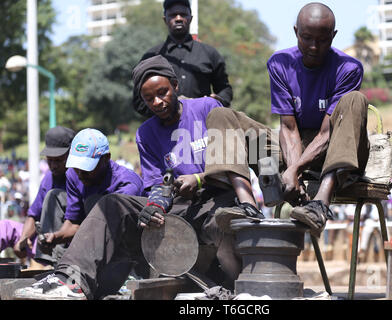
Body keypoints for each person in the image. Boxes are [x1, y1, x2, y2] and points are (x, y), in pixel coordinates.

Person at [14, 55, 240, 300]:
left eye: (162, 92)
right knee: (112, 203)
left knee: (225, 224)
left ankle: (237, 284)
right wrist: (154, 207)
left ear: (175, 86)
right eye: (149, 98)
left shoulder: (207, 108)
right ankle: (70, 280)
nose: (157, 102)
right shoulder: (146, 133)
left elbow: (231, 163)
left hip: (217, 202)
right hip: (177, 211)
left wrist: (198, 178)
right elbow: (157, 185)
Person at [207, 3, 367, 238]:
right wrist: (294, 174)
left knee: (355, 100)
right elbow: (288, 126)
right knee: (219, 115)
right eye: (306, 38)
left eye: (322, 40)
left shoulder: (349, 68)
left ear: (333, 36)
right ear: (295, 32)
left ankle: (320, 204)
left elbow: (326, 134)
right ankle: (248, 205)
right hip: (293, 146)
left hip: (335, 146)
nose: (313, 47)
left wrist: (295, 169)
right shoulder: (279, 63)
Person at [132, 0, 233, 118]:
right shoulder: (151, 56)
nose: (178, 18)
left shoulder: (210, 53)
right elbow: (138, 101)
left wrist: (217, 101)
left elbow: (225, 89)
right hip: (166, 130)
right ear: (165, 19)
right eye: (173, 15)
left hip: (203, 125)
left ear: (190, 18)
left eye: (183, 14)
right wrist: (165, 112)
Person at [0, 126, 75, 265]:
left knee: (55, 195)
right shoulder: (49, 178)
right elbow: (33, 215)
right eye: (49, 160)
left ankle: (55, 266)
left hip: (72, 246)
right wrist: (24, 239)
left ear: (71, 155)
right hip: (46, 244)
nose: (53, 166)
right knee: (5, 227)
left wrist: (57, 237)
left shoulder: (82, 176)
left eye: (58, 160)